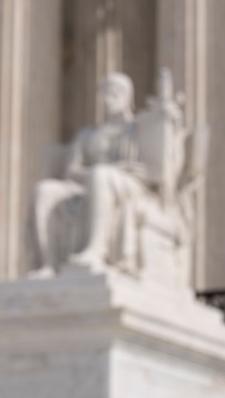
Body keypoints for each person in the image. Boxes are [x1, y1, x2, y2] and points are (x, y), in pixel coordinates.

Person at [31, 72, 149, 276]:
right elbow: (71, 170)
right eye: (105, 93)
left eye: (115, 93)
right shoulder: (87, 135)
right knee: (44, 190)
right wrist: (91, 175)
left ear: (128, 96)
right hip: (86, 184)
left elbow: (148, 169)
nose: (109, 98)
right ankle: (48, 264)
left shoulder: (138, 130)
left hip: (129, 186)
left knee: (101, 175)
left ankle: (97, 250)